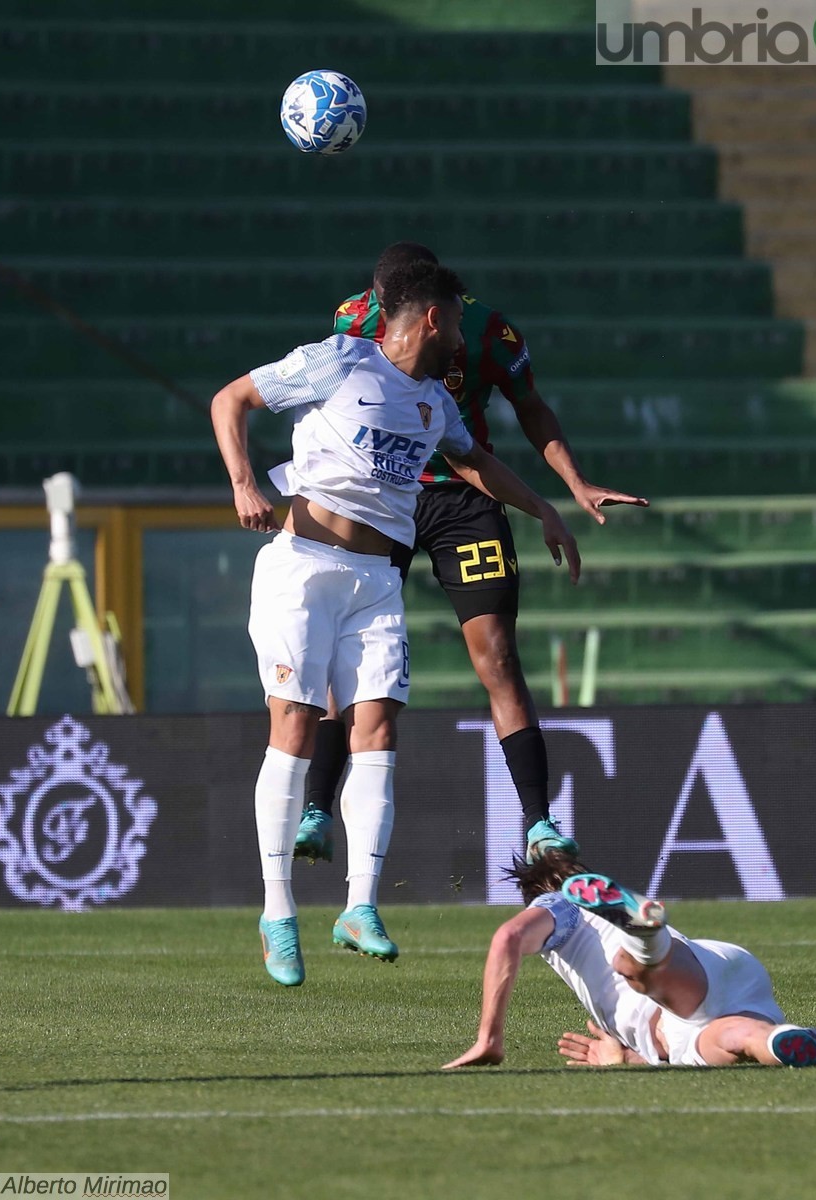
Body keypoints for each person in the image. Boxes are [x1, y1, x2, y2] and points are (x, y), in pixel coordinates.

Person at [210, 259, 581, 987]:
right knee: (292, 727)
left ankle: (359, 906)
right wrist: (244, 483)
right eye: (454, 317)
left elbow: (474, 463)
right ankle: (277, 913)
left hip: (378, 582)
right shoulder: (339, 360)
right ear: (432, 319)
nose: (463, 335)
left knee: (377, 729)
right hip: (306, 566)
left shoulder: (432, 403)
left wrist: (542, 507)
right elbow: (232, 399)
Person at [296, 242, 649, 869]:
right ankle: (317, 809)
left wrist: (570, 485)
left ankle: (539, 823)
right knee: (342, 653)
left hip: (466, 498)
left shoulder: (485, 328)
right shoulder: (350, 320)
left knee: (498, 656)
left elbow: (530, 407)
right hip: (384, 501)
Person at [443, 852, 816, 1069]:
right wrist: (624, 1058)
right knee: (740, 1039)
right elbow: (657, 1049)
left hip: (676, 994)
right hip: (715, 984)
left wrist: (488, 1039)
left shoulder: (559, 905)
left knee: (634, 970)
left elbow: (508, 936)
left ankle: (647, 935)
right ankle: (789, 1041)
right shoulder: (592, 954)